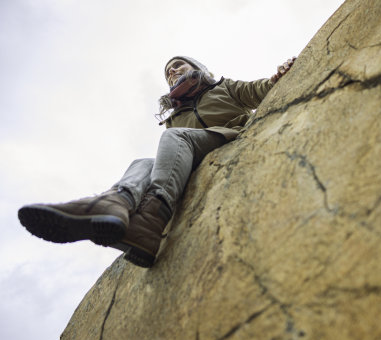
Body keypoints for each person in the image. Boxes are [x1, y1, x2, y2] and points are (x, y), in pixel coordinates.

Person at [18, 56, 295, 268]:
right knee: (143, 163)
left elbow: (261, 90)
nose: (172, 72)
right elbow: (171, 161)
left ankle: (151, 218)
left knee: (175, 138)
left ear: (196, 66)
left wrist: (281, 73)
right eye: (168, 73)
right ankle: (116, 204)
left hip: (230, 137)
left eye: (178, 65)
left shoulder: (224, 87)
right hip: (194, 157)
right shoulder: (174, 117)